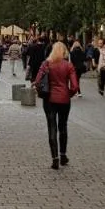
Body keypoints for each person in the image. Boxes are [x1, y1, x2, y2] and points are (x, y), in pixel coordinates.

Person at [33, 41, 80, 170]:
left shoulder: (46, 64)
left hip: (49, 99)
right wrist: (68, 93)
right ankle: (63, 155)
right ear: (65, 52)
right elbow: (75, 86)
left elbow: (37, 81)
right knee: (63, 126)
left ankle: (55, 159)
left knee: (52, 127)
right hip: (64, 100)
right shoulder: (68, 65)